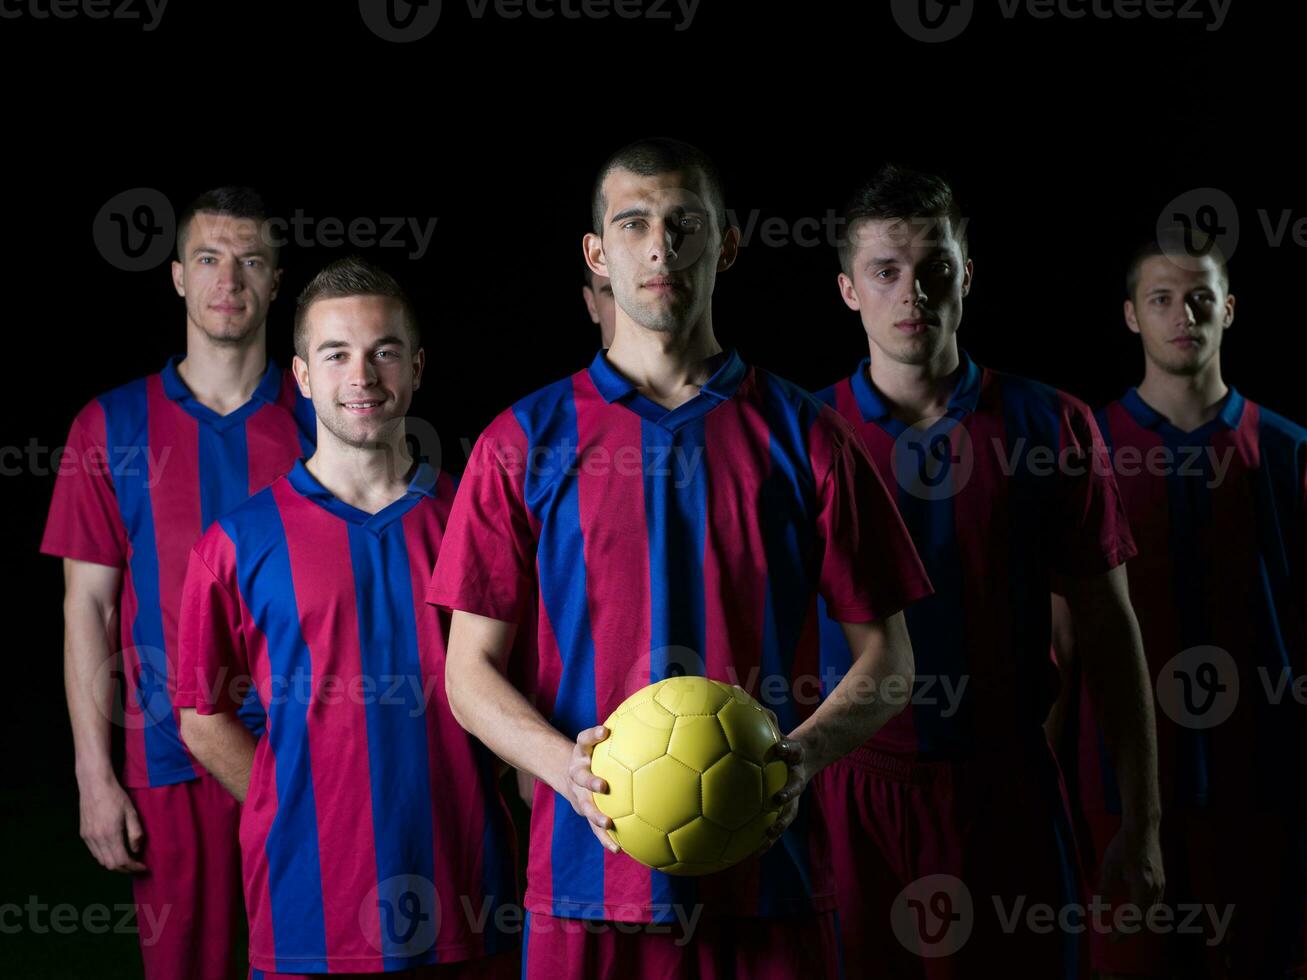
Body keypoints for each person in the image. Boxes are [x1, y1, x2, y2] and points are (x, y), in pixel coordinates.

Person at [428, 138, 933, 978]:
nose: (660, 245)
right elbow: (466, 673)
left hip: (770, 880)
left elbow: (891, 659)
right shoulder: (519, 442)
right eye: (633, 224)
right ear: (597, 254)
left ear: (726, 244)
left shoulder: (808, 435)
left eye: (683, 223)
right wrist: (567, 769)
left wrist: (794, 757)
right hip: (586, 886)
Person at [812, 164, 1164, 977]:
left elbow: (1109, 628)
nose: (912, 292)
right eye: (885, 272)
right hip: (846, 795)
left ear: (965, 276)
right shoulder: (805, 432)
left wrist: (1140, 824)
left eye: (934, 267)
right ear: (847, 290)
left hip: (1003, 788)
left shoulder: (1051, 424)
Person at [176, 256, 520, 978]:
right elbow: (201, 716)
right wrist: (291, 801)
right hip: (308, 903)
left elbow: (529, 685)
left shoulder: (477, 517)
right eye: (335, 355)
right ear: (301, 376)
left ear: (417, 366)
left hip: (469, 893)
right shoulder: (236, 543)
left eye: (383, 352)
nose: (361, 375)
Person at [41, 187, 315, 979]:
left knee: (313, 960)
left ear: (274, 282)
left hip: (305, 751)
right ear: (176, 278)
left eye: (250, 261)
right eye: (208, 259)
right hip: (167, 760)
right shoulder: (109, 426)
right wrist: (95, 777)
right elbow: (86, 609)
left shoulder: (324, 415)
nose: (228, 280)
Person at [1059, 229, 1307, 978]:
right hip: (1115, 782)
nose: (1182, 316)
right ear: (1131, 315)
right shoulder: (1084, 446)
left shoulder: (1287, 448)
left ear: (1228, 310)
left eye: (1200, 299)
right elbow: (1060, 637)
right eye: (1160, 299)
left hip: (1263, 779)